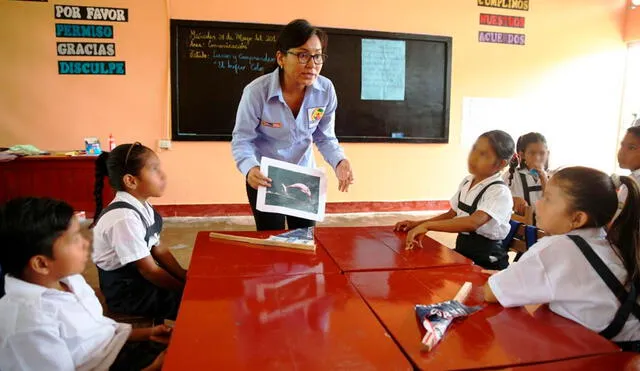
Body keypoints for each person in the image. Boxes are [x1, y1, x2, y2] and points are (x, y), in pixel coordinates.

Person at [0, 197, 170, 370]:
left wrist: (146, 334)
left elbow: (95, 330)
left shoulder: (69, 279)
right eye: (74, 239)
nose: (86, 242)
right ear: (41, 264)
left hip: (115, 351)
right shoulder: (29, 324)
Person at [485, 167, 640, 352]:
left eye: (548, 199)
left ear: (577, 218)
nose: (538, 204)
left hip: (610, 355)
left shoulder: (555, 249)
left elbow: (491, 293)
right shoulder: (608, 241)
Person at [232, 19, 354, 231]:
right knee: (272, 240)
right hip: (265, 177)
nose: (312, 64)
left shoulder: (325, 90)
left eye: (317, 56)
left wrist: (339, 161)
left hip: (305, 177)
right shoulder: (256, 92)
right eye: (303, 55)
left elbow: (325, 137)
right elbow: (243, 139)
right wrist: (250, 167)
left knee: (304, 239)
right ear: (281, 57)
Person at [395, 130, 515, 270]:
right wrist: (417, 224)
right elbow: (451, 214)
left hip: (488, 261)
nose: (474, 157)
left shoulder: (499, 192)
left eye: (483, 154)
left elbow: (473, 222)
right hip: (463, 252)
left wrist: (428, 226)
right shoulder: (467, 182)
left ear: (500, 164)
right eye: (474, 149)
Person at [92, 143, 185, 320]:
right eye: (155, 169)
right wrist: (185, 289)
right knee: (195, 304)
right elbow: (149, 271)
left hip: (141, 282)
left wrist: (183, 275)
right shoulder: (123, 218)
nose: (163, 175)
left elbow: (158, 247)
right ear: (131, 181)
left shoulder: (142, 205)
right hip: (128, 294)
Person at [505, 132, 549, 218]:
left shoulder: (553, 176)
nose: (537, 158)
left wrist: (543, 178)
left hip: (546, 227)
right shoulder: (512, 175)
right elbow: (498, 199)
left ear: (547, 154)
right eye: (532, 153)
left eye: (542, 153)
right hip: (521, 227)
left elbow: (555, 204)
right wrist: (513, 200)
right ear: (522, 155)